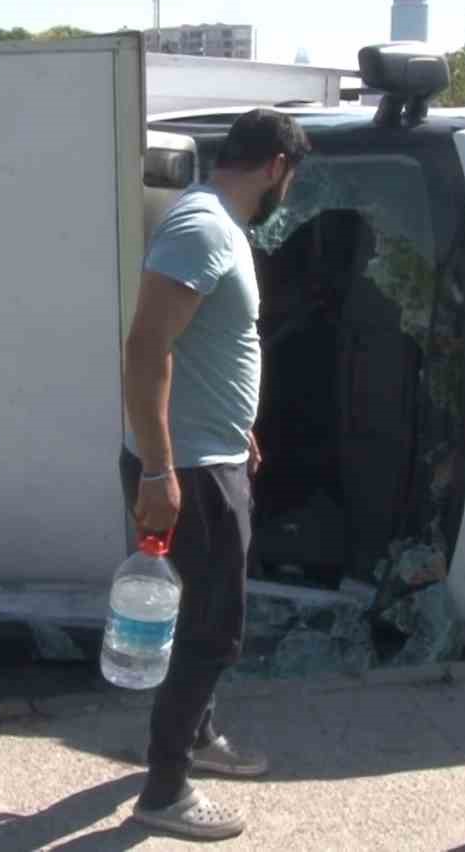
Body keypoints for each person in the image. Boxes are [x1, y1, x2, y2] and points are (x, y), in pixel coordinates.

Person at [119, 108, 311, 841]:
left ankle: (195, 737)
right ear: (276, 167)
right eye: (292, 177)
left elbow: (203, 348)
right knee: (210, 633)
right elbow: (145, 348)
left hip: (208, 453)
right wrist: (160, 468)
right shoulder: (202, 227)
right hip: (188, 471)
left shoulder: (218, 225)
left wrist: (237, 429)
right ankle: (165, 791)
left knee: (202, 620)